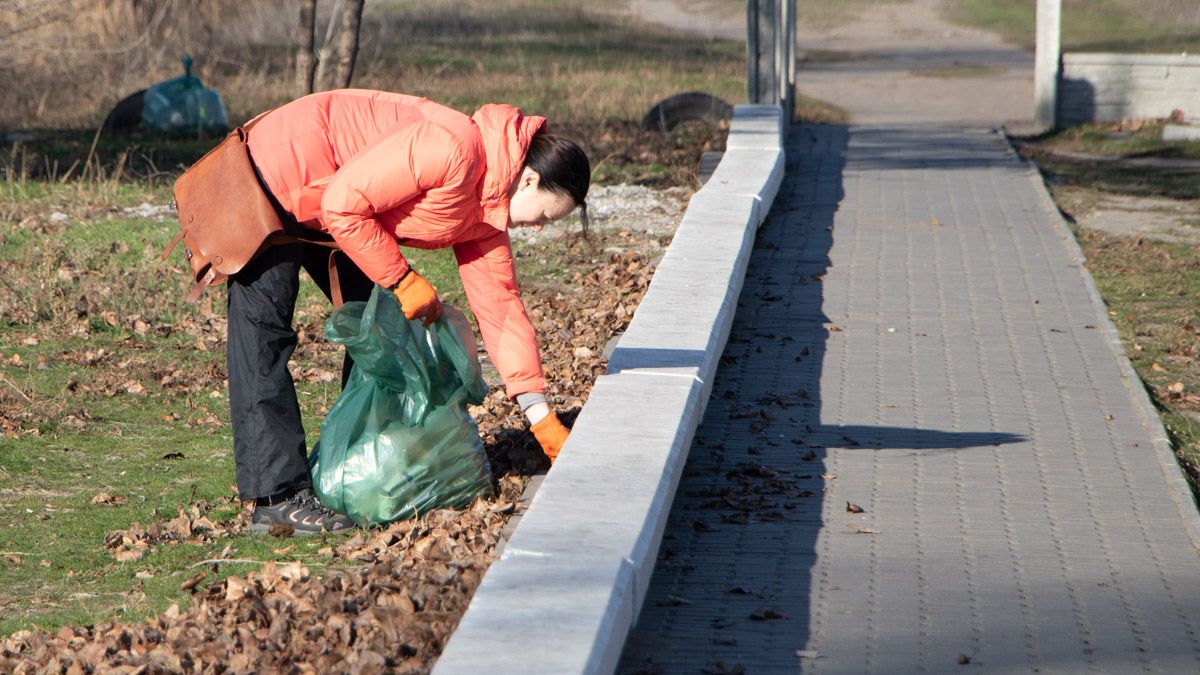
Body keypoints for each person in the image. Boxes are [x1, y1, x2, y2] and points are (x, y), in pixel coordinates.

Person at [226, 89, 589, 534]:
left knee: (376, 324)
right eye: (545, 217)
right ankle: (275, 497)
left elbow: (502, 309)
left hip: (332, 197)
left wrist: (542, 418)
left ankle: (358, 466)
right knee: (264, 333)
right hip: (279, 170)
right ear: (529, 180)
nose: (536, 228)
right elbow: (342, 203)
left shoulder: (486, 211)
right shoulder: (455, 148)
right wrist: (401, 280)